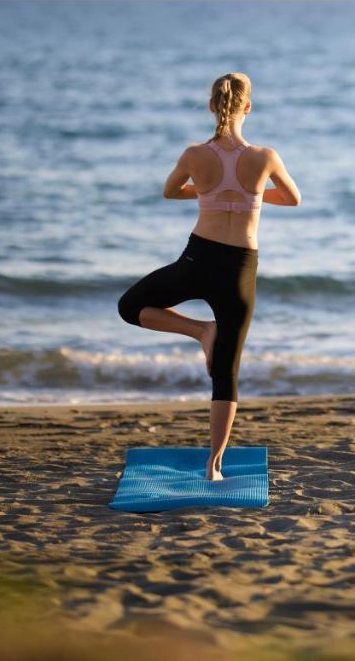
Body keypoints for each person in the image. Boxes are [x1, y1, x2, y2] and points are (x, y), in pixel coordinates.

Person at [117, 72, 301, 480]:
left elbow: (169, 191)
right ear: (247, 107)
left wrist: (206, 193)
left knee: (130, 306)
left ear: (212, 106)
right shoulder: (265, 157)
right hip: (239, 269)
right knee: (226, 373)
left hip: (197, 260)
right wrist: (251, 197)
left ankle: (201, 331)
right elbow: (292, 198)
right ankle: (214, 466)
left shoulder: (193, 155)